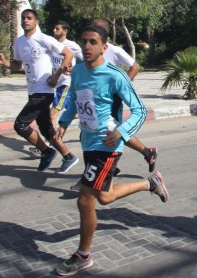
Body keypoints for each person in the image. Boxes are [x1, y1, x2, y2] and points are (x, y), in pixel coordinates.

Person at [53, 25, 168, 275]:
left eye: (93, 42)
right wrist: (63, 122)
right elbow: (75, 100)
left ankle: (83, 255)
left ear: (104, 47)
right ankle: (151, 183)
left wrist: (121, 133)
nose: (87, 46)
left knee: (85, 199)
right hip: (88, 142)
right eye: (84, 41)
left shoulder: (115, 75)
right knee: (104, 197)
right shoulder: (79, 70)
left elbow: (139, 110)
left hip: (107, 145)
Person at [0, 9, 79, 174]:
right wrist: (5, 63)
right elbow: (17, 65)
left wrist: (56, 76)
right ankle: (69, 157)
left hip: (44, 90)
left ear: (36, 22)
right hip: (32, 90)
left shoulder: (43, 39)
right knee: (46, 128)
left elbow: (68, 54)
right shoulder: (19, 42)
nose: (25, 21)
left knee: (20, 125)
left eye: (29, 18)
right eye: (23, 18)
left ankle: (46, 152)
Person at [88, 18, 157, 173]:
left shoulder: (114, 50)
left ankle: (109, 166)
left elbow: (135, 66)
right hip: (95, 99)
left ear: (103, 32)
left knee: (110, 131)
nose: (90, 29)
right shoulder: (89, 48)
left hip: (111, 100)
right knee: (94, 132)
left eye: (94, 27)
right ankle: (145, 153)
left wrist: (121, 88)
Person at [50, 21, 83, 129]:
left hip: (66, 83)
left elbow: (86, 61)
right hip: (55, 83)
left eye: (57, 29)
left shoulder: (72, 45)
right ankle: (84, 114)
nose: (54, 30)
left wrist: (73, 70)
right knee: (73, 111)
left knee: (52, 113)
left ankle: (50, 138)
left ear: (65, 31)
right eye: (54, 28)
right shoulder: (51, 44)